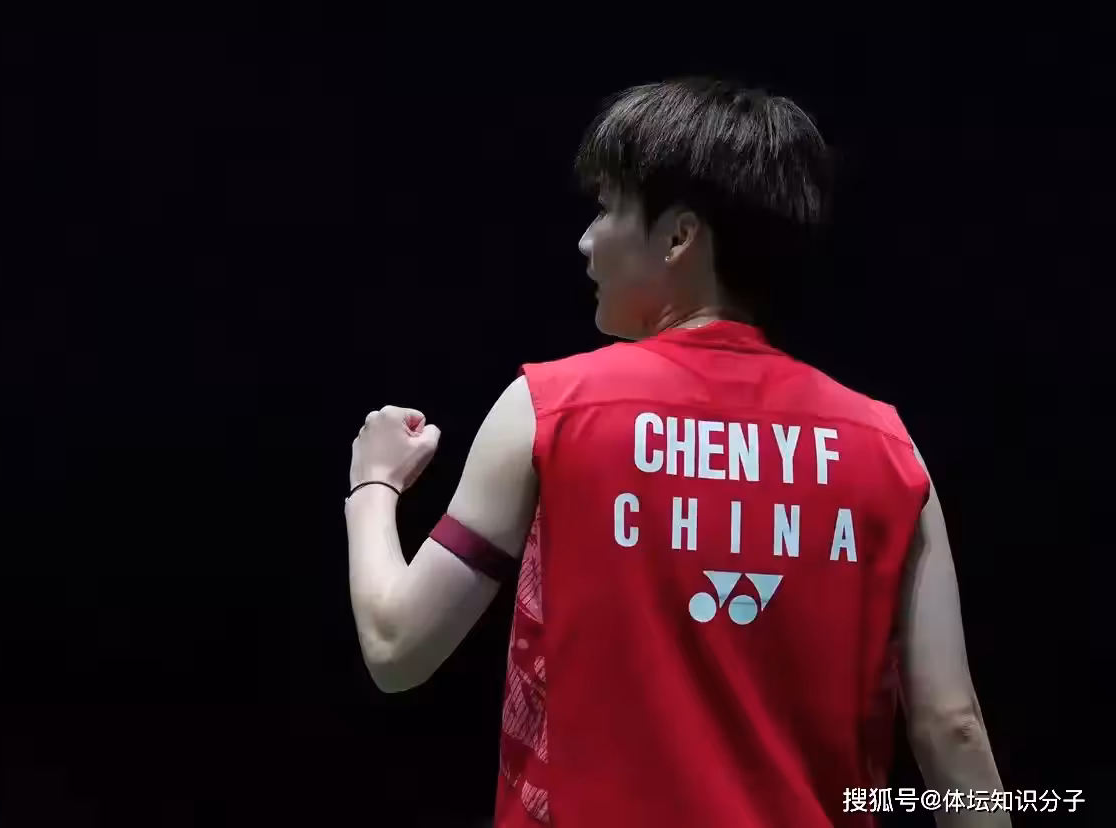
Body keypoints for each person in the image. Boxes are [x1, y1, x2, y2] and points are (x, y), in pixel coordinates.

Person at [345, 77, 1007, 827]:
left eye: (607, 208)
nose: (586, 240)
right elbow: (952, 728)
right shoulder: (888, 449)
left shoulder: (551, 409)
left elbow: (397, 646)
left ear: (678, 236)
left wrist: (374, 486)